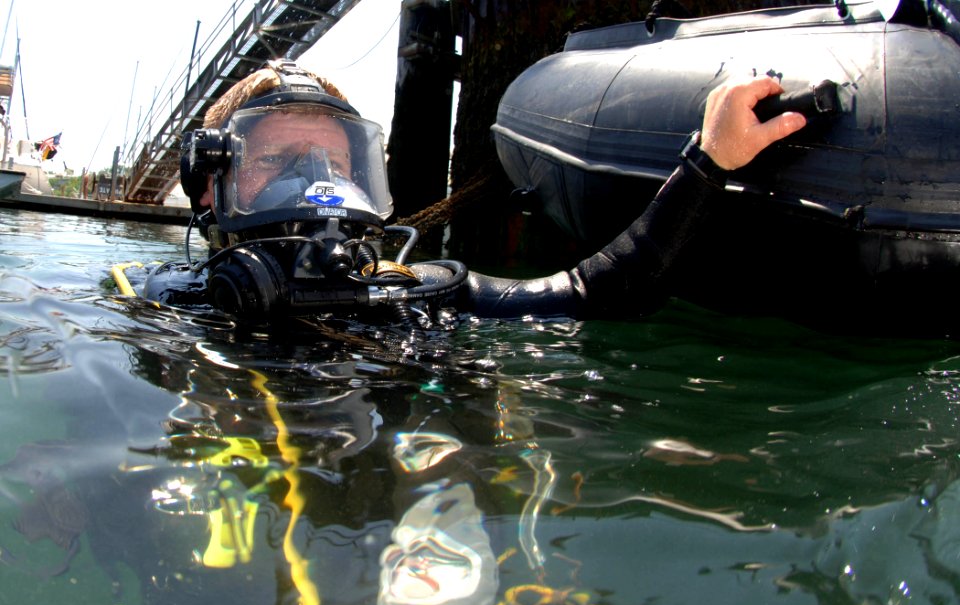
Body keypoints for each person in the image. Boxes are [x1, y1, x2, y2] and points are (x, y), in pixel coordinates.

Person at [137, 58, 806, 324]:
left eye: (334, 163)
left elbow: (590, 292)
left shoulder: (417, 293)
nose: (313, 183)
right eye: (278, 157)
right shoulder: (158, 307)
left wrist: (708, 161)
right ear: (210, 185)